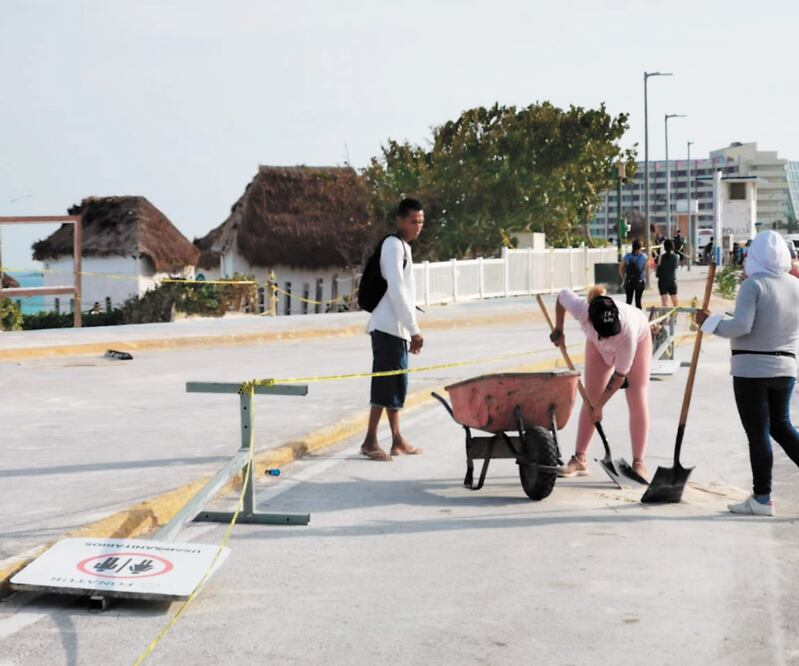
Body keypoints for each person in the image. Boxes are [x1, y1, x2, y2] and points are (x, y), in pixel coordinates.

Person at [696, 230, 799, 516]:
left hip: (752, 369)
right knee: (781, 427)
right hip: (786, 367)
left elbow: (741, 326)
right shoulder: (794, 284)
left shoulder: (753, 286)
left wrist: (710, 324)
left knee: (758, 433)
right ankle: (762, 496)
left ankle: (762, 498)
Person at [550, 285, 653, 479]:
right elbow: (561, 295)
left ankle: (639, 462)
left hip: (639, 341)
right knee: (590, 397)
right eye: (605, 333)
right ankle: (580, 459)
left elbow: (620, 376)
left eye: (611, 332)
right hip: (596, 347)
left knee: (637, 396)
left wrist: (600, 405)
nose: (609, 337)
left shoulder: (626, 331)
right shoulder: (582, 309)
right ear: (589, 319)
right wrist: (559, 328)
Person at [360, 198, 425, 461]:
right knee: (385, 384)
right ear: (399, 220)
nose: (418, 227)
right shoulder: (392, 246)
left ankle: (397, 439)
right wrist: (414, 329)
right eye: (413, 221)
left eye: (421, 222)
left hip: (395, 328)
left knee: (396, 384)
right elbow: (397, 290)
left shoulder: (403, 248)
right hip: (388, 326)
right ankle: (370, 440)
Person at [620, 239, 646, 309]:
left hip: (629, 281)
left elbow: (621, 268)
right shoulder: (643, 257)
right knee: (638, 301)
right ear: (640, 248)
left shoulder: (627, 256)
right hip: (639, 281)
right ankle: (639, 318)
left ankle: (628, 317)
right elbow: (645, 268)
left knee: (628, 301)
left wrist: (623, 278)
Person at [656, 239, 679, 306]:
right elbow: (676, 267)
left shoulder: (661, 257)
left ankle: (665, 316)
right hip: (672, 280)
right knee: (675, 301)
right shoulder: (676, 257)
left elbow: (658, 268)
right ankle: (674, 315)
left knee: (664, 301)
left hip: (662, 281)